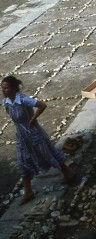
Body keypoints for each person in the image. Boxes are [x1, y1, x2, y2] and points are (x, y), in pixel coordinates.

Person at [1, 75, 74, 205]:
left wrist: (33, 118)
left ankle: (67, 171)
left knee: (47, 154)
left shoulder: (23, 99)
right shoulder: (6, 101)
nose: (3, 90)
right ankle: (28, 191)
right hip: (21, 136)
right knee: (23, 161)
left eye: (6, 88)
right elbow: (10, 113)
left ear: (13, 88)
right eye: (2, 88)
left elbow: (42, 105)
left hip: (34, 133)